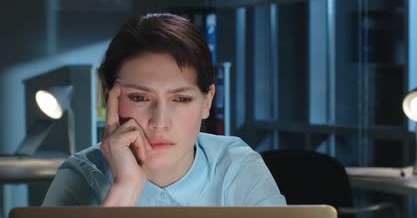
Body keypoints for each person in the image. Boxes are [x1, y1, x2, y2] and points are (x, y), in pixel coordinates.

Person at [42, 13, 286, 207]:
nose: (159, 123)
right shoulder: (79, 176)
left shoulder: (237, 166)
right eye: (139, 97)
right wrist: (125, 189)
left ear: (207, 102)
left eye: (180, 99)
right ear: (110, 100)